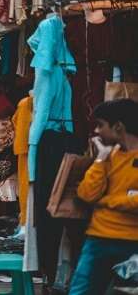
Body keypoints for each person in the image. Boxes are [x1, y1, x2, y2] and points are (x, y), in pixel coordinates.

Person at [69, 99, 138, 295]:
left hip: (133, 242)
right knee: (80, 291)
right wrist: (100, 160)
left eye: (100, 125)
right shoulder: (108, 155)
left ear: (118, 126)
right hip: (98, 238)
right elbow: (86, 194)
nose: (97, 131)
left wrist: (107, 201)